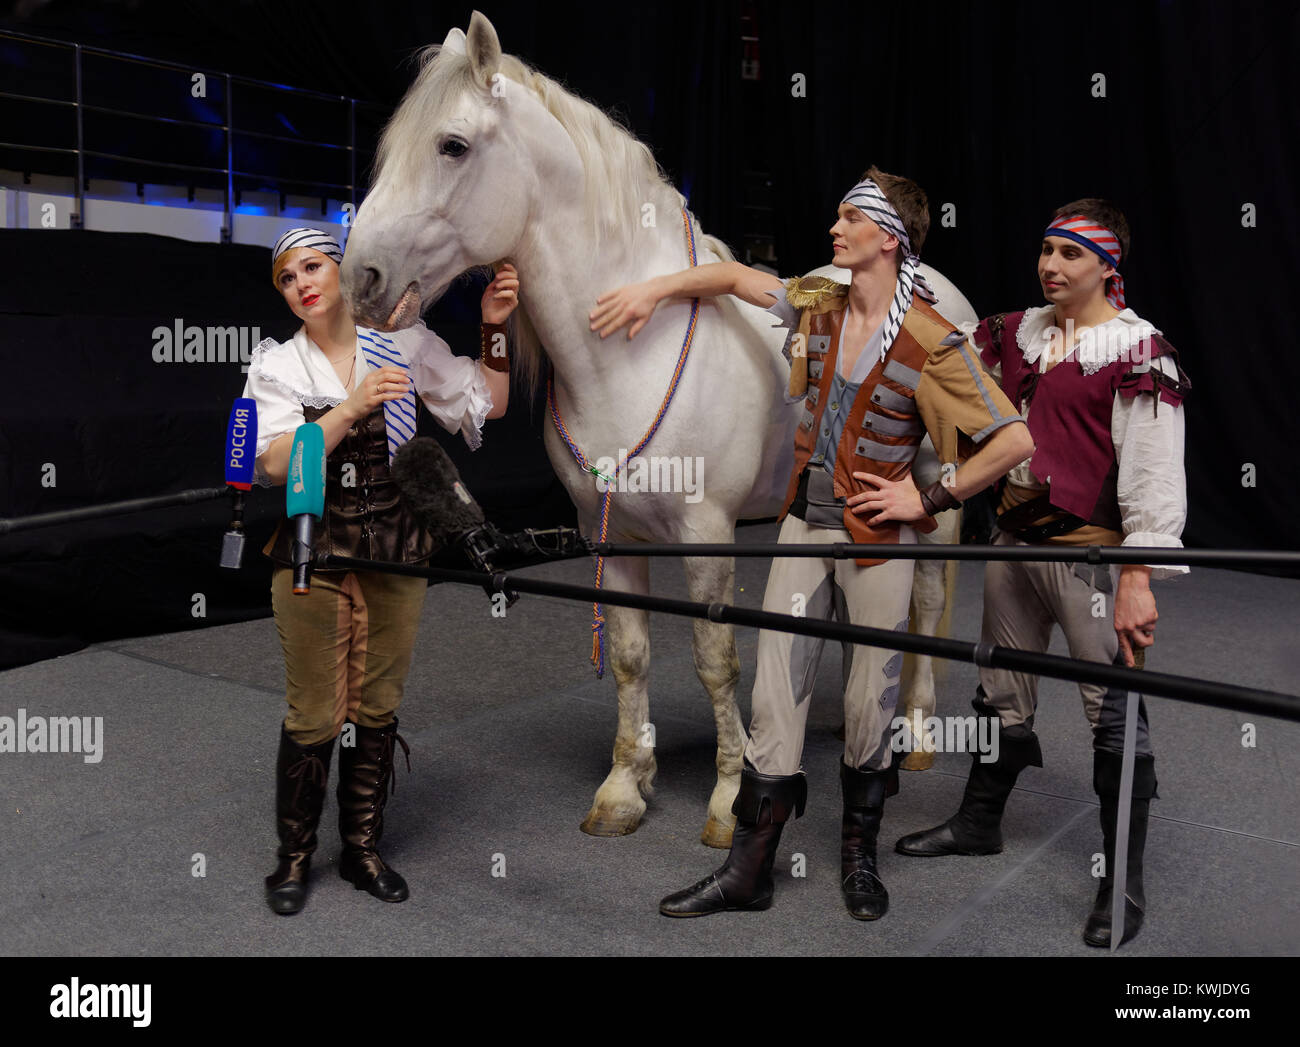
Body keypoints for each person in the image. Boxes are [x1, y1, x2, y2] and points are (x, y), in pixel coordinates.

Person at [590, 169, 1033, 920]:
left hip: (879, 541)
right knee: (776, 692)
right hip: (804, 526)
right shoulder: (817, 303)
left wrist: (926, 496)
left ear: (886, 237)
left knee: (868, 701)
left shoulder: (932, 335)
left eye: (848, 217)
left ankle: (858, 857)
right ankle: (749, 868)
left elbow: (1014, 437)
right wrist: (656, 291)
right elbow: (732, 275)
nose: (834, 227)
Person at [894, 200, 1190, 948]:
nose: (1051, 266)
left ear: (1106, 267)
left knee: (1114, 712)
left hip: (1091, 556)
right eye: (1047, 250)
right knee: (999, 687)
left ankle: (1121, 879)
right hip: (1013, 542)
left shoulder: (1136, 349)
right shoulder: (1014, 332)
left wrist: (1138, 575)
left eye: (1071, 255)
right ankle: (979, 822)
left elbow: (1154, 476)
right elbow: (935, 353)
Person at [244, 228, 517, 915]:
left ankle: (363, 848)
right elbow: (274, 464)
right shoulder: (277, 365)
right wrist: (351, 407)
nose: (302, 282)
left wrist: (494, 330)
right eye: (286, 277)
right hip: (314, 545)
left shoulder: (405, 343)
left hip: (399, 547)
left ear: (343, 271)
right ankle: (295, 855)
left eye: (313, 266)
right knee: (313, 712)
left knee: (377, 706)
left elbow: (489, 401)